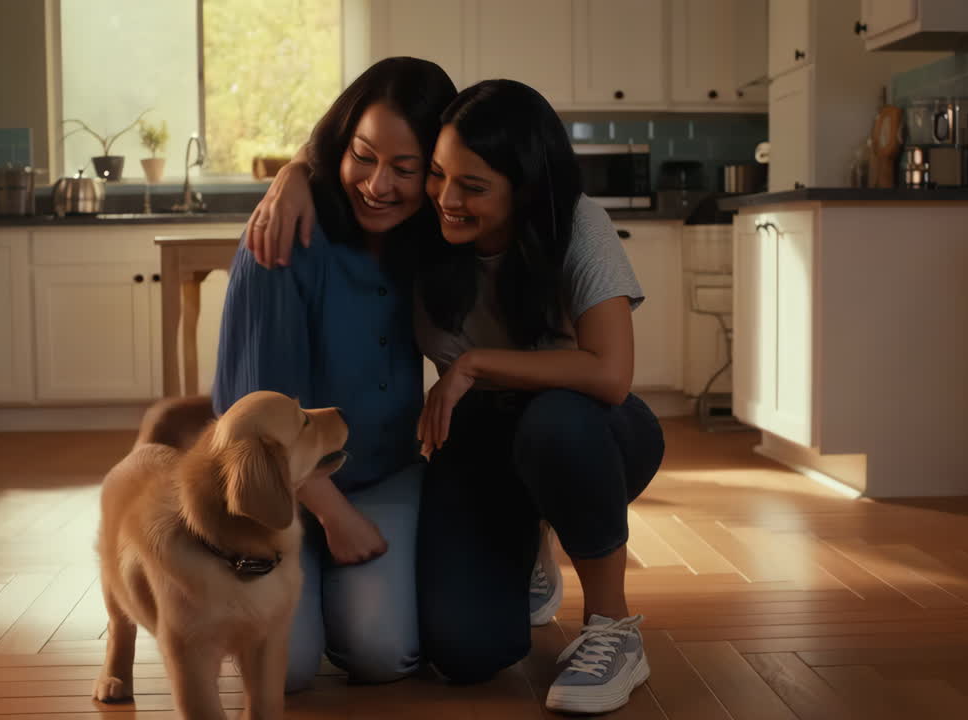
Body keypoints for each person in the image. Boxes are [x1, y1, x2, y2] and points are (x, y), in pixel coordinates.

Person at [411, 79, 665, 715]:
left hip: (590, 430)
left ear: (523, 188)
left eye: (472, 187)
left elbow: (611, 374)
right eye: (438, 175)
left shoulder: (577, 224)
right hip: (484, 442)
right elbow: (348, 164)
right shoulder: (419, 230)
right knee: (465, 652)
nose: (446, 199)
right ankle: (531, 540)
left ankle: (612, 628)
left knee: (554, 426)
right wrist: (295, 175)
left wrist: (472, 363)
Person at [211, 56, 457, 693]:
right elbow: (246, 408)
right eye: (363, 156)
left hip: (384, 473)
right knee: (284, 673)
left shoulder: (434, 239)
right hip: (277, 493)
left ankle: (333, 603)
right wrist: (332, 515)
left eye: (406, 169)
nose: (378, 185)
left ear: (435, 174)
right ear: (339, 144)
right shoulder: (285, 234)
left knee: (380, 656)